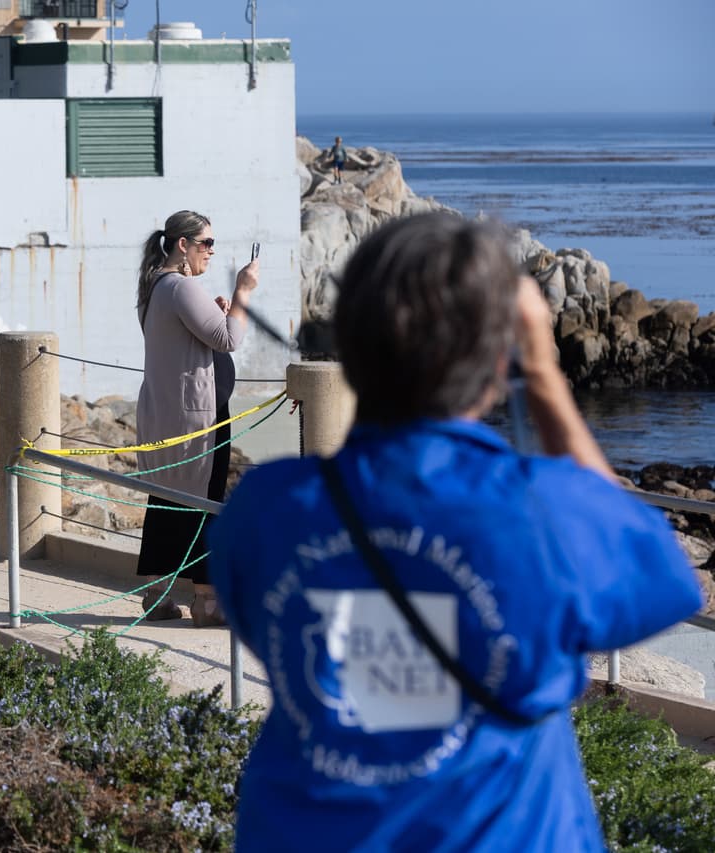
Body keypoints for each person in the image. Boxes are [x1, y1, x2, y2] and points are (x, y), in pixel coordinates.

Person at [207, 212, 702, 851]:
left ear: (350, 347)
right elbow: (661, 571)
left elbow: (271, 631)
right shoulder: (541, 513)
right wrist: (544, 372)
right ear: (498, 362)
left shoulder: (264, 512)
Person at [134, 210, 259, 627]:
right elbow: (228, 339)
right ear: (182, 245)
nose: (211, 251)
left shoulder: (157, 286)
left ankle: (156, 596)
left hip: (168, 413)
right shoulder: (182, 286)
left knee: (167, 500)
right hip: (197, 420)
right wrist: (242, 293)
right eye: (206, 243)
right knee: (204, 503)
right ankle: (206, 603)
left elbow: (196, 335)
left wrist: (218, 310)